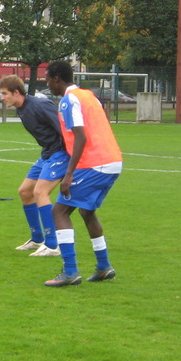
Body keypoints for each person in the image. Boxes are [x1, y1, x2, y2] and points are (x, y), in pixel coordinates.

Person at [43, 60, 122, 287]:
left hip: (94, 163)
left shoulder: (69, 100)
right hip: (113, 160)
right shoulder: (90, 96)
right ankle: (104, 266)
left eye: (48, 79)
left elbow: (81, 137)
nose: (48, 84)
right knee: (87, 212)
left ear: (57, 79)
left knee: (59, 211)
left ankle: (70, 271)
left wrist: (68, 175)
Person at [0, 74, 67, 257]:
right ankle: (37, 238)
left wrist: (73, 159)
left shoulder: (40, 105)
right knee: (25, 191)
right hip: (47, 154)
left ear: (16, 92)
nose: (2, 97)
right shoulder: (21, 108)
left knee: (40, 192)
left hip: (60, 153)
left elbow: (64, 129)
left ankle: (53, 245)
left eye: (4, 93)